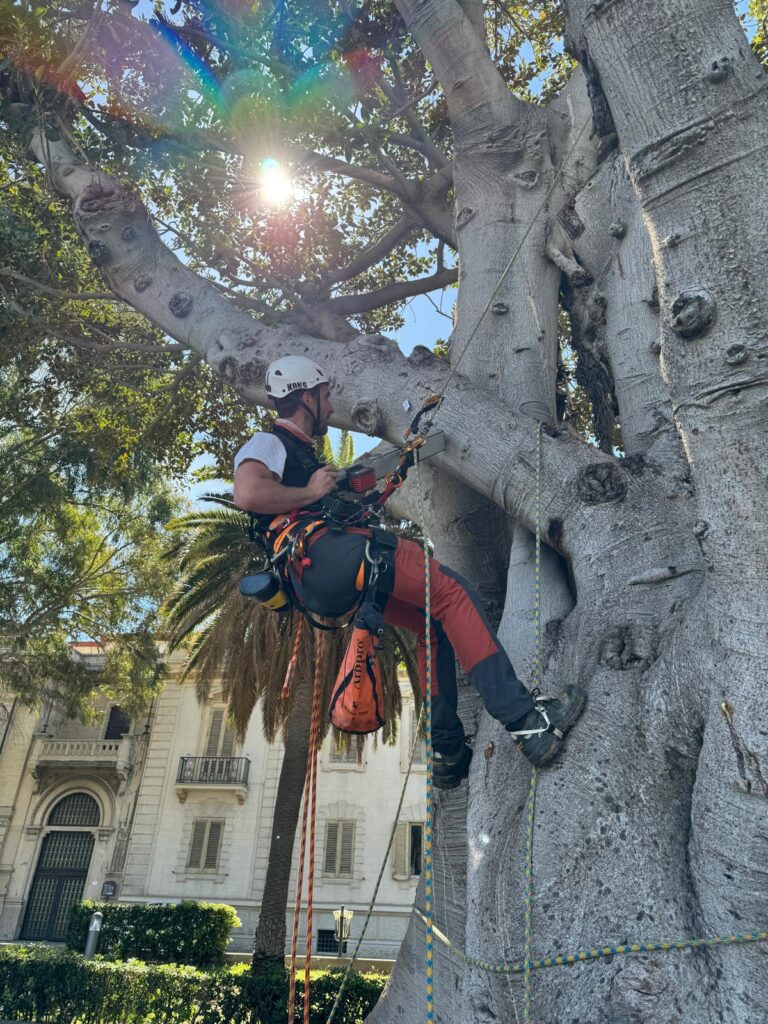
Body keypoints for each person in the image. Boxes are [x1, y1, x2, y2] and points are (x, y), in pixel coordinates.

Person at [233, 356, 585, 788]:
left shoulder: (305, 458)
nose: (330, 404)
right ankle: (527, 722)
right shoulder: (270, 442)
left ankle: (448, 750)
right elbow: (248, 492)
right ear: (305, 396)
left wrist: (356, 481)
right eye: (325, 395)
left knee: (431, 622)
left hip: (321, 579)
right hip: (329, 557)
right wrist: (311, 490)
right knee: (452, 595)